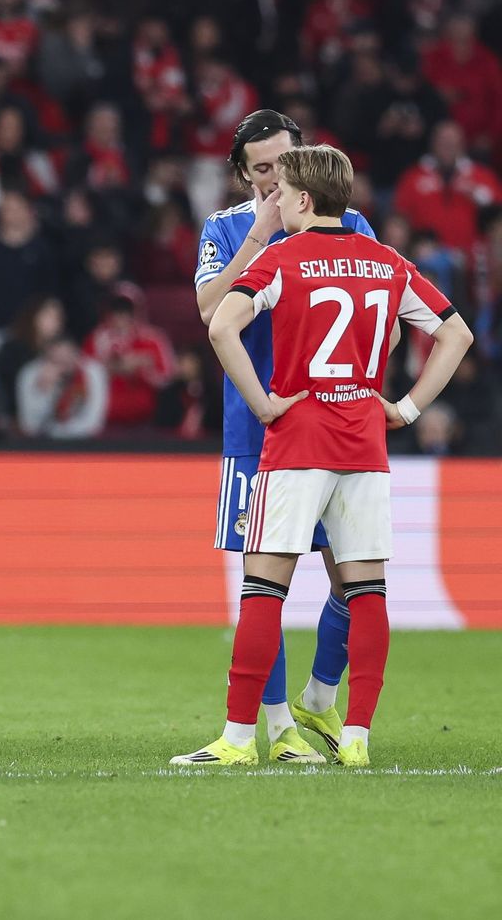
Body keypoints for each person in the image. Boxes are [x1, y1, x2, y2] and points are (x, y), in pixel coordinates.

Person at [175, 145, 473, 768]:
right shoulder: (387, 261)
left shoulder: (282, 256)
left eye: (280, 192)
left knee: (264, 589)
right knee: (367, 592)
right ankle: (357, 738)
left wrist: (261, 403)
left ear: (304, 199)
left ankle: (236, 740)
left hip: (297, 440)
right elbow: (456, 333)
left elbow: (220, 326)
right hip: (365, 442)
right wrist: (407, 409)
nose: (272, 202)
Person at [192, 109, 377, 762]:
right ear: (243, 174)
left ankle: (321, 696)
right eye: (263, 167)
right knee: (261, 582)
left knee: (354, 582)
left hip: (334, 427)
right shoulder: (224, 230)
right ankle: (276, 729)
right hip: (257, 427)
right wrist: (261, 239)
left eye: (285, 162)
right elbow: (210, 312)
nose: (276, 177)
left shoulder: (348, 223)